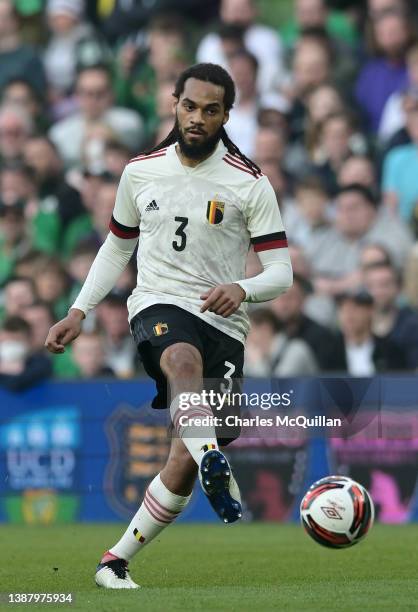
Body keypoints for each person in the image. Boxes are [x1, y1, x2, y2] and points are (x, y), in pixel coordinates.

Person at [44, 63, 293, 589]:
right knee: (182, 362)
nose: (197, 117)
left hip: (224, 321)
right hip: (158, 302)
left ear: (228, 114)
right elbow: (117, 246)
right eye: (189, 105)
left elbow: (282, 273)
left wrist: (243, 288)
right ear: (173, 102)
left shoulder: (250, 182)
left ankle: (114, 560)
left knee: (181, 457)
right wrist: (78, 310)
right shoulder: (140, 171)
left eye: (210, 110)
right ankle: (213, 459)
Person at [331, 288, 406, 374]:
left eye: (355, 308)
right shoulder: (329, 352)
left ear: (371, 311)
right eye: (342, 308)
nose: (348, 314)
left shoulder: (390, 352)